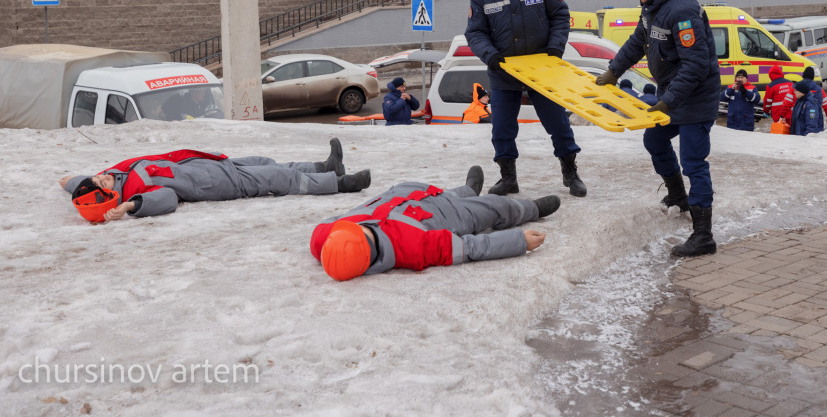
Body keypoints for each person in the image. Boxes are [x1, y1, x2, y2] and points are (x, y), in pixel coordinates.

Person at [594, 0, 721, 257]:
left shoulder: (683, 10)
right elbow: (639, 41)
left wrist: (667, 102)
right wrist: (613, 71)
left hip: (695, 98)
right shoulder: (652, 7)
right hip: (673, 95)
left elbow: (696, 65)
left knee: (694, 161)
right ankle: (678, 196)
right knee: (655, 140)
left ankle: (703, 234)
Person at [465, 0, 585, 198]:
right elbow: (475, 33)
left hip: (543, 70)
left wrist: (556, 48)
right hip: (504, 71)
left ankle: (570, 173)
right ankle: (508, 179)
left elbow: (560, 15)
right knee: (502, 128)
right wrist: (491, 56)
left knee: (557, 124)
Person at [310, 166, 560, 280]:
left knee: (450, 193)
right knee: (496, 206)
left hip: (413, 194)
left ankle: (469, 189)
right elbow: (470, 247)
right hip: (455, 214)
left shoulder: (327, 238)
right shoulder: (413, 248)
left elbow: (321, 232)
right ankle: (533, 208)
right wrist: (519, 241)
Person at [60, 139, 371, 222]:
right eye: (102, 183)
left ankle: (326, 167)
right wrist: (128, 206)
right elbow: (167, 200)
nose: (103, 176)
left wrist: (68, 181)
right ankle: (339, 184)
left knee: (268, 164)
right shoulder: (136, 190)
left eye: (99, 176)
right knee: (279, 178)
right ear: (110, 198)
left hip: (213, 164)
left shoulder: (119, 174)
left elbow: (78, 186)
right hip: (219, 184)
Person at [791, 67, 827, 136]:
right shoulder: (818, 89)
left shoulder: (810, 104)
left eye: (796, 90)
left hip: (806, 136)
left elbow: (812, 126)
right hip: (800, 131)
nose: (794, 92)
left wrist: (782, 116)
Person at [763, 64, 796, 131]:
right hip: (791, 113)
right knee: (792, 132)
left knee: (779, 132)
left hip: (777, 114)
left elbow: (767, 102)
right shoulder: (791, 83)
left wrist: (765, 111)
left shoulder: (771, 86)